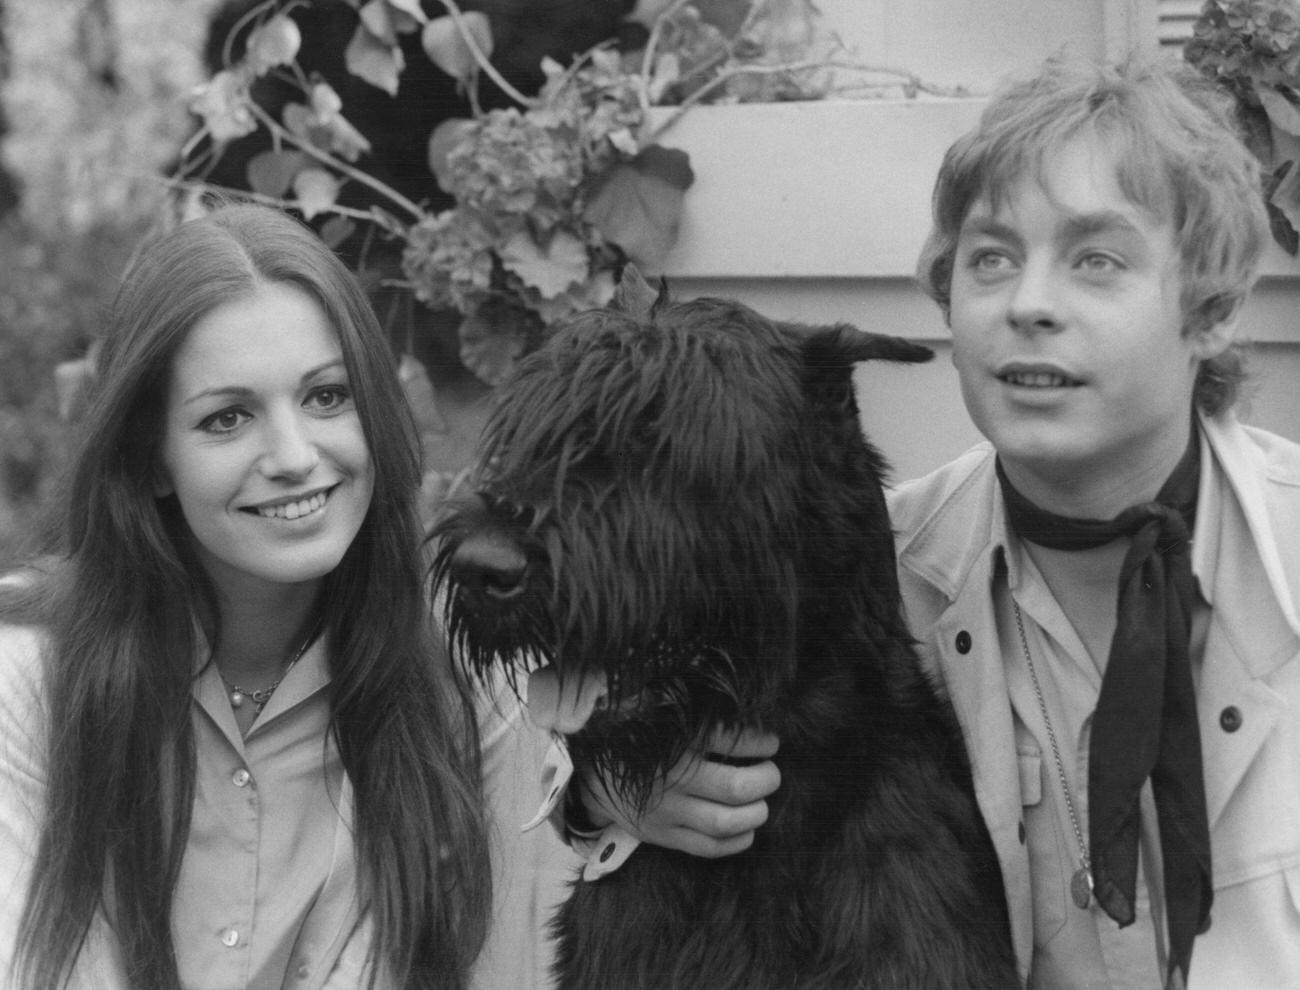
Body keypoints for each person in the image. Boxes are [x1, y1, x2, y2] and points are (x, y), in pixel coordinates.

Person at [573, 54, 1300, 989]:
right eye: (991, 259)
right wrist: (610, 790)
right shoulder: (864, 574)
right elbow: (607, 657)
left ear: (1214, 309)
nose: (1029, 305)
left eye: (1097, 260)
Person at [0, 202, 493, 989]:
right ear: (151, 460)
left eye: (327, 397)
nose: (294, 456)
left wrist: (634, 804)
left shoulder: (446, 681)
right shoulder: (27, 677)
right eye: (228, 418)